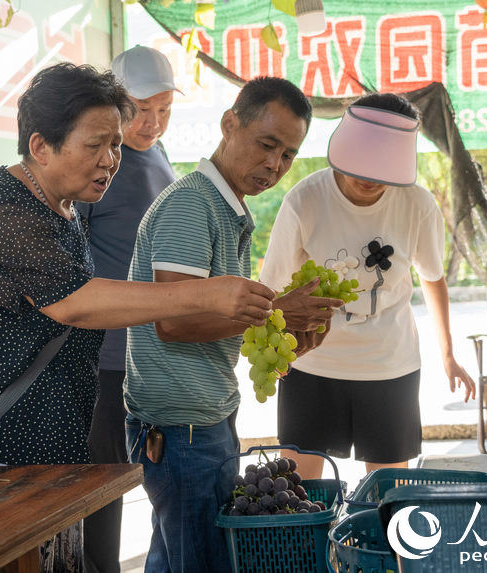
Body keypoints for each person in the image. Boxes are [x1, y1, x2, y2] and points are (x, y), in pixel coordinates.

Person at [0, 62, 275, 572]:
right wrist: (203, 296)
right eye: (96, 145)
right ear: (41, 146)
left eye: (115, 144)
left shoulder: (58, 206)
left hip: (44, 460)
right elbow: (78, 303)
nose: (111, 160)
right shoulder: (9, 212)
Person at [124, 77, 343, 572]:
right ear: (229, 124)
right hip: (181, 430)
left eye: (288, 155)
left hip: (204, 422)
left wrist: (284, 341)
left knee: (176, 555)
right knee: (198, 560)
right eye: (267, 144)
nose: (275, 165)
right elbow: (173, 322)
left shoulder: (227, 209)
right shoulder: (190, 205)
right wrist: (279, 312)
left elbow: (218, 319)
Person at [259, 93, 477, 480]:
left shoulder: (418, 205)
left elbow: (432, 277)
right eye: (362, 165)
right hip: (312, 366)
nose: (369, 179)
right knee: (299, 492)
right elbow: (272, 288)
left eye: (383, 170)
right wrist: (274, 349)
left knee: (389, 495)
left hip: (389, 367)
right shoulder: (304, 200)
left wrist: (448, 354)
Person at [75, 46, 180, 573]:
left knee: (159, 474)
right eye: (141, 109)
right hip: (105, 355)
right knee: (105, 479)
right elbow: (74, 259)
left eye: (164, 109)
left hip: (155, 349)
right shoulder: (99, 163)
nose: (153, 122)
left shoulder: (159, 156)